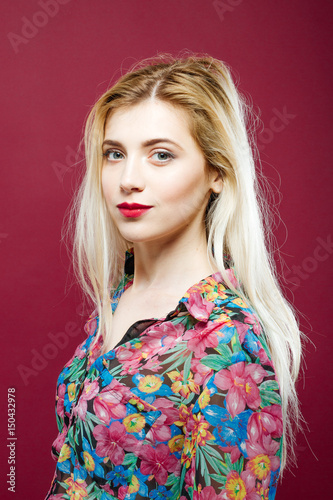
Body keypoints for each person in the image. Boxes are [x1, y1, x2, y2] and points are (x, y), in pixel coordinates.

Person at [45, 53, 303, 500]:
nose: (129, 179)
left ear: (217, 172)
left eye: (161, 155)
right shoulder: (118, 296)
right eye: (115, 154)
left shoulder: (226, 338)